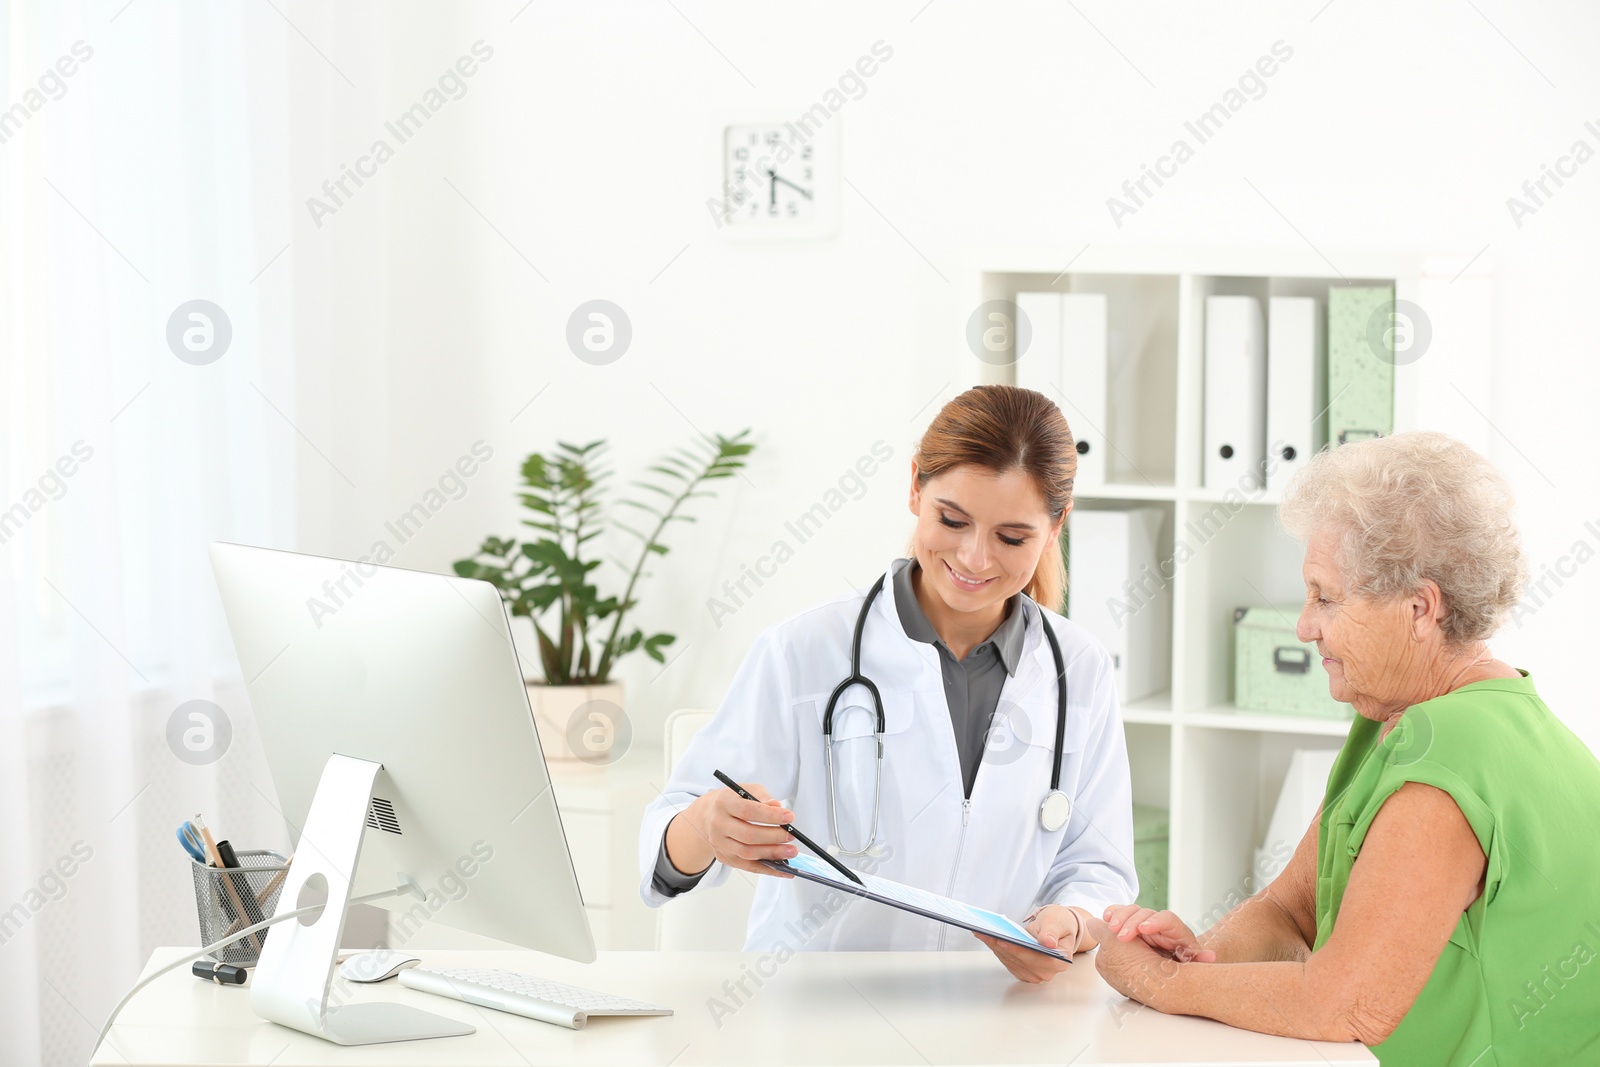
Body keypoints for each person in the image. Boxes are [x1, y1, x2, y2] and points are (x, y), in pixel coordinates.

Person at [1092, 431, 1600, 1065]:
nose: (1304, 626)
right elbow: (1289, 910)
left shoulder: (1452, 755)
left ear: (1421, 608)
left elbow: (1345, 1004)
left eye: (1326, 598)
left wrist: (1159, 982)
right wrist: (1199, 959)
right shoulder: (1407, 722)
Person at [638, 385, 1136, 980]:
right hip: (819, 1014)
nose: (975, 559)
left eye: (1011, 537)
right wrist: (705, 827)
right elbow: (663, 852)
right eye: (952, 520)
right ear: (914, 489)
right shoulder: (802, 652)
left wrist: (1073, 921)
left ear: (1056, 527)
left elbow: (1098, 868)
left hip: (998, 1012)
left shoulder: (1078, 669)